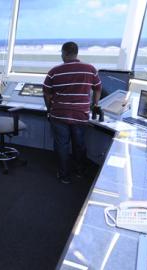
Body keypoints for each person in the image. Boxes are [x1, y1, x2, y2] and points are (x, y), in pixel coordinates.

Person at [43, 41, 101, 184]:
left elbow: (46, 94)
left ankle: (64, 176)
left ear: (64, 53)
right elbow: (98, 88)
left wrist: (49, 109)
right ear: (76, 53)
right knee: (79, 144)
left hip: (59, 114)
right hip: (80, 115)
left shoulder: (54, 71)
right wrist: (95, 104)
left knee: (62, 145)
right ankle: (80, 171)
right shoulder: (90, 69)